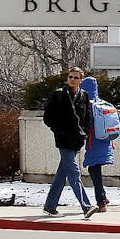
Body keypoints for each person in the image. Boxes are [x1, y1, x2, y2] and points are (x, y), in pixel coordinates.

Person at [42, 66, 99, 219]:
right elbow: (48, 117)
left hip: (76, 141)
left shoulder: (84, 96)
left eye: (75, 77)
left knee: (62, 174)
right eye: (70, 77)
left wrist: (84, 135)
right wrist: (59, 131)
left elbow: (88, 119)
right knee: (74, 172)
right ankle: (86, 206)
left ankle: (50, 206)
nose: (72, 80)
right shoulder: (58, 95)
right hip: (63, 140)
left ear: (80, 80)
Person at [80, 76, 114, 212]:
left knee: (95, 170)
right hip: (105, 142)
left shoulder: (87, 106)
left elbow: (85, 127)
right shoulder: (103, 104)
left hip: (94, 143)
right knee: (95, 170)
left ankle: (101, 202)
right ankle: (103, 197)